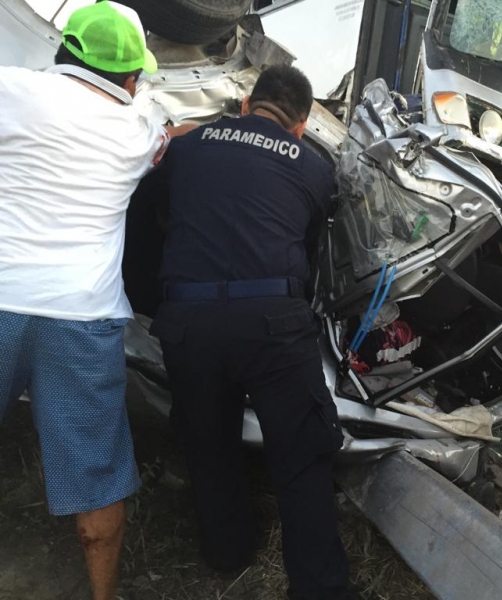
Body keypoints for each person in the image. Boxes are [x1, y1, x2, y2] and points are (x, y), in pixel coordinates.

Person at [0, 3, 188, 599]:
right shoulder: (139, 128)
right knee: (96, 473)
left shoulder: (12, 88)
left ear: (64, 50)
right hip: (81, 318)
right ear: (132, 78)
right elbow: (174, 138)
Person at [149, 65, 350, 599]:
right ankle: (320, 589)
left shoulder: (188, 148)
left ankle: (226, 551)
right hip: (271, 324)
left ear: (245, 104)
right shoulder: (312, 167)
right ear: (302, 126)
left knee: (207, 442)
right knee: (302, 453)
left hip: (188, 321)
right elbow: (311, 247)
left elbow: (158, 212)